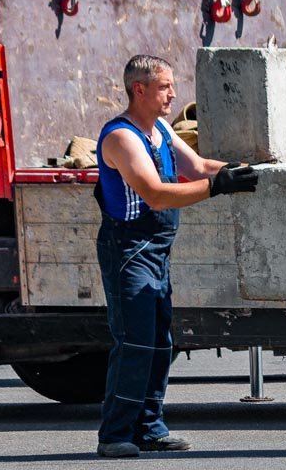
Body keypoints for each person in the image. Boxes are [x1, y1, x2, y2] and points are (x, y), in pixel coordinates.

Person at [94, 55, 258, 458]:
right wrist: (219, 188)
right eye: (165, 86)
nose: (173, 93)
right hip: (128, 250)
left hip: (156, 251)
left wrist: (252, 172)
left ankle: (150, 429)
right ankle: (115, 435)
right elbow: (155, 193)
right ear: (140, 90)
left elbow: (199, 166)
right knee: (135, 343)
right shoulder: (121, 137)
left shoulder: (161, 129)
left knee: (159, 343)